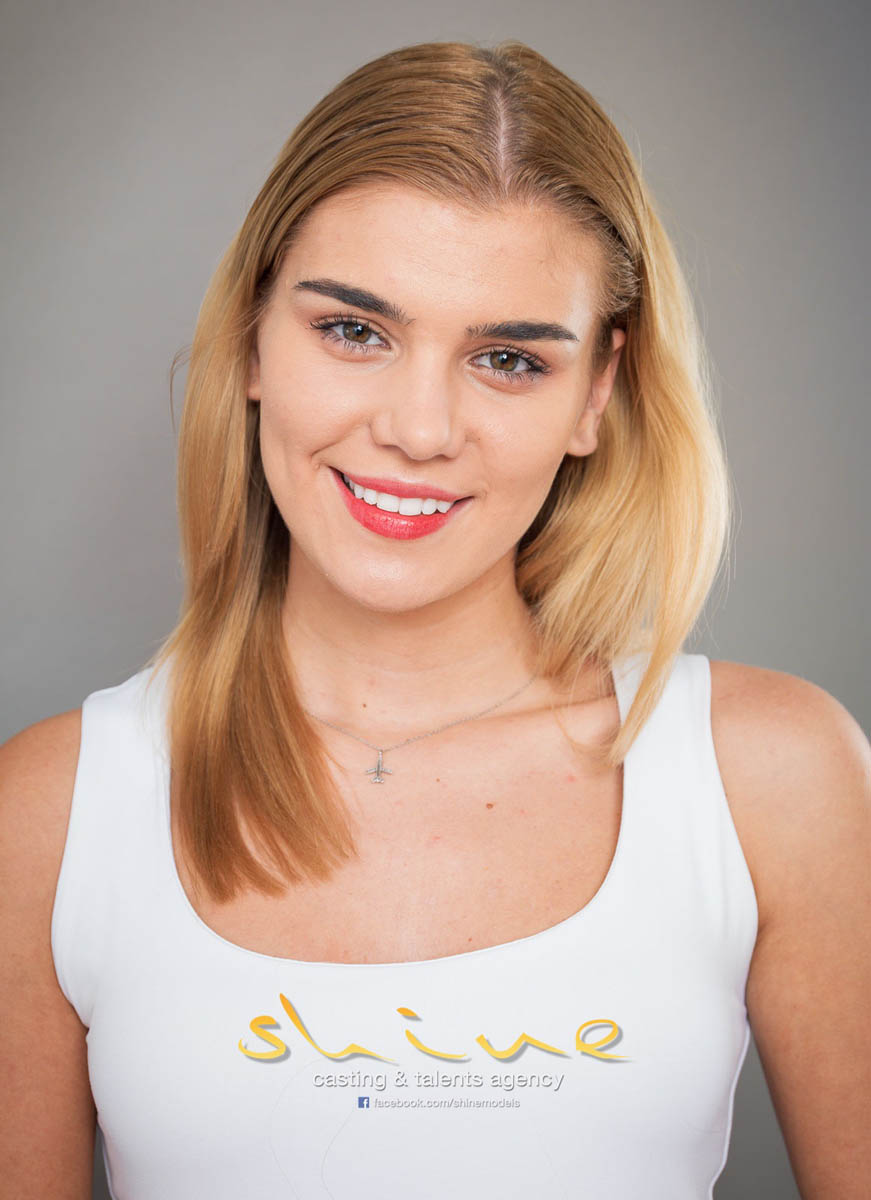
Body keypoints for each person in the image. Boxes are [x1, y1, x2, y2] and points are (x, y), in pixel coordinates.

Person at [2, 37, 868, 1200]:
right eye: (354, 331)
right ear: (255, 337)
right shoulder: (48, 816)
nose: (418, 430)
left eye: (506, 358)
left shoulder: (774, 778)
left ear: (595, 393)